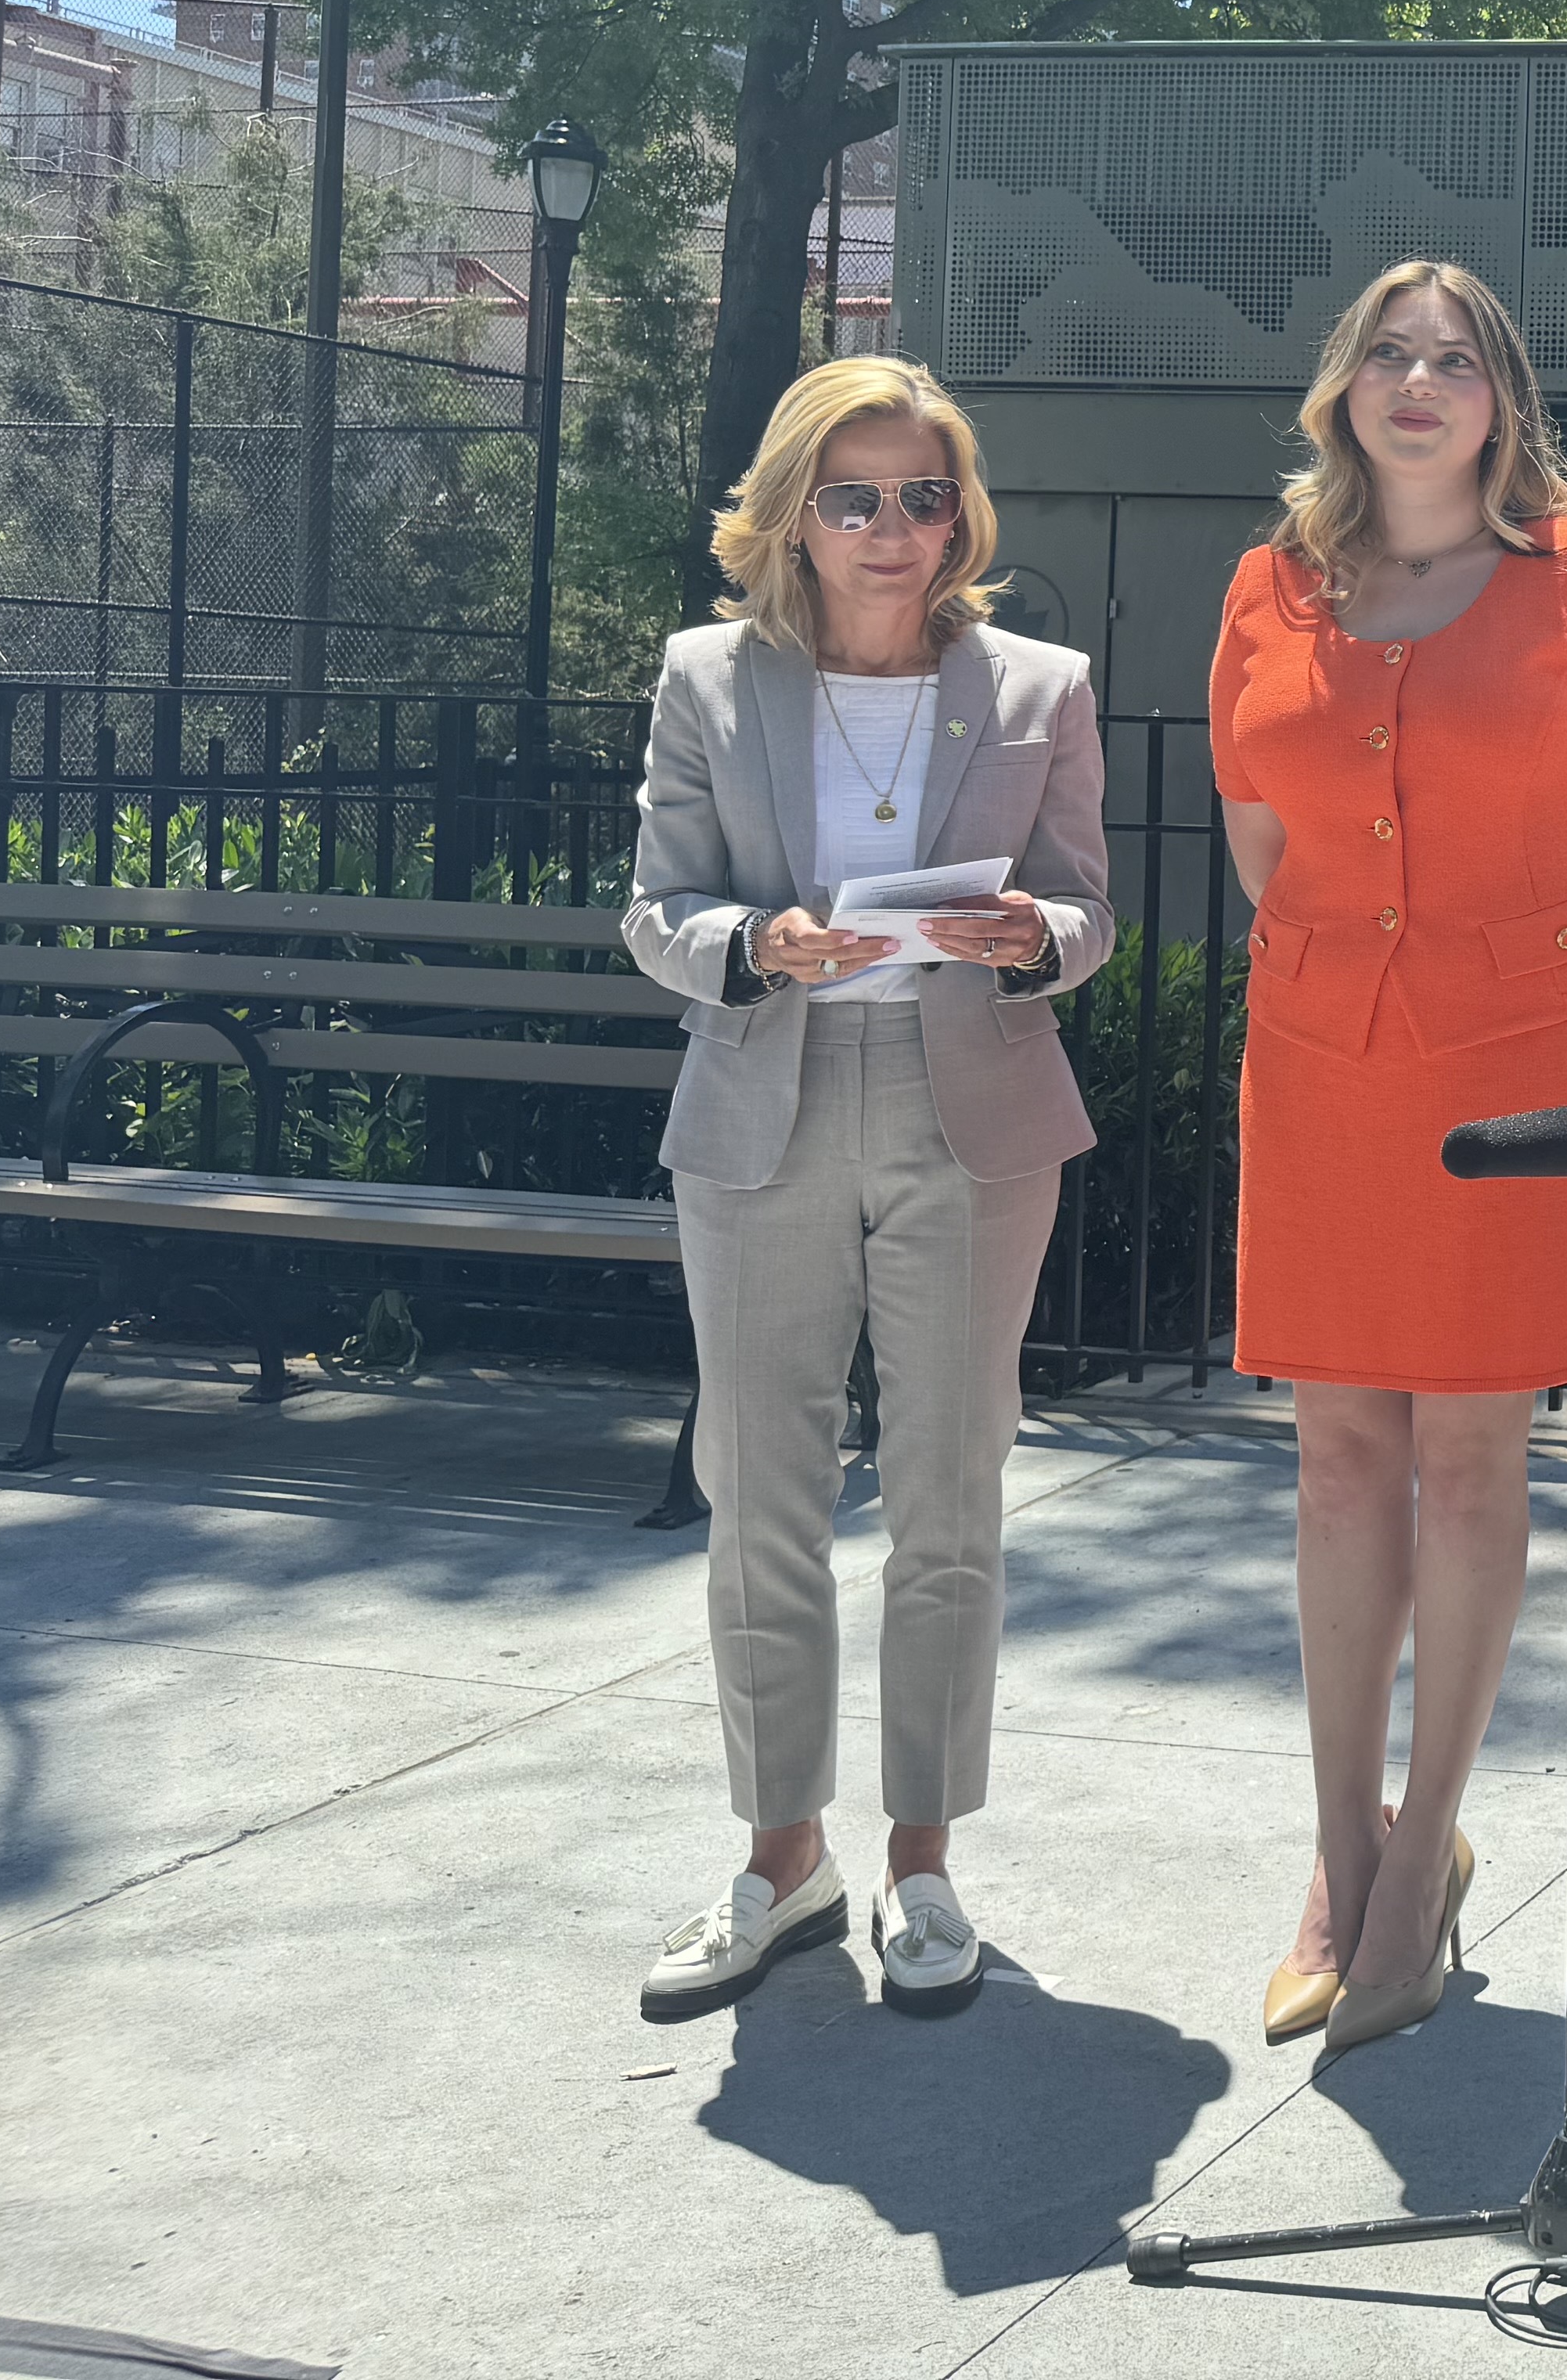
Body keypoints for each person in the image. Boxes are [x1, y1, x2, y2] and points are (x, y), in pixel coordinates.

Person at [1210, 261, 1567, 2058]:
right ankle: (1338, 1862)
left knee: (1471, 1457)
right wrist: (1362, 966)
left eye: (1455, 360)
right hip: (1324, 1055)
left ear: (1500, 401)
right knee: (1339, 1454)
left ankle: (1425, 1857)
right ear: (1343, 387)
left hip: (1511, 1071)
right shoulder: (1270, 584)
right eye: (1387, 354)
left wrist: (1558, 963)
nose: (1418, 382)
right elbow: (1262, 839)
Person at [623, 357, 1115, 2025]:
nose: (894, 529)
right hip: (765, 1105)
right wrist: (751, 946)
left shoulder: (1039, 684)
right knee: (757, 1492)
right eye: (854, 498)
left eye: (923, 496)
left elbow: (1089, 909)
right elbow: (655, 912)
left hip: (971, 1113)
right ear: (792, 516)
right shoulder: (709, 678)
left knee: (947, 1503)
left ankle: (922, 1862)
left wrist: (1036, 938)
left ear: (958, 512)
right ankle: (782, 1860)